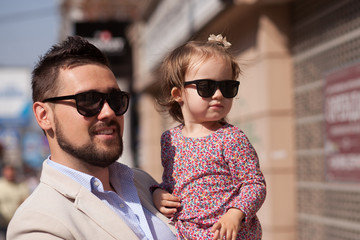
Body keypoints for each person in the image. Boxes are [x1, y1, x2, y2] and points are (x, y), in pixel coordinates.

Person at [7, 36, 176, 240]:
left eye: (115, 100)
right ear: (44, 116)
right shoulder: (37, 224)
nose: (109, 113)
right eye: (88, 100)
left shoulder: (142, 182)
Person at [151, 34, 267, 240]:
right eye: (207, 87)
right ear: (178, 94)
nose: (219, 94)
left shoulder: (231, 138)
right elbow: (172, 184)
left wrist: (235, 213)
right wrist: (158, 194)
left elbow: (254, 184)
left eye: (228, 87)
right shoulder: (169, 139)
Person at [0, 165, 29, 239]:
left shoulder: (21, 185)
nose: (9, 173)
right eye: (7, 171)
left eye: (11, 171)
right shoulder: (1, 185)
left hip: (16, 223)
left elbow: (26, 202)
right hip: (2, 223)